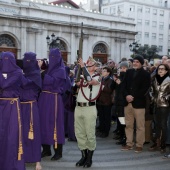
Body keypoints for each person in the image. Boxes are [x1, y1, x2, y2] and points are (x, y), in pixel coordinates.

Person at [38, 48, 66, 161]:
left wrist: (43, 74)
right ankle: (46, 149)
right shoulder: (48, 68)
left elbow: (53, 82)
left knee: (55, 124)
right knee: (43, 123)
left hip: (54, 98)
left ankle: (58, 152)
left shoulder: (61, 70)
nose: (51, 59)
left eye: (53, 57)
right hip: (43, 98)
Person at [0, 52, 25, 170]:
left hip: (12, 106)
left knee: (11, 135)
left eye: (6, 60)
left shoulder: (17, 72)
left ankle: (12, 164)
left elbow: (4, 84)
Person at [121, 54, 151, 153]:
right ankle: (129, 143)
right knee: (128, 125)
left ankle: (139, 145)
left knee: (140, 126)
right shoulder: (128, 72)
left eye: (137, 62)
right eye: (134, 61)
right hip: (127, 103)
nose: (135, 63)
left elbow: (145, 89)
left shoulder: (146, 74)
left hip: (139, 103)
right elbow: (123, 85)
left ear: (141, 63)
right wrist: (126, 96)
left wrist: (132, 97)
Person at [75, 57, 101, 168]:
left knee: (89, 133)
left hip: (89, 108)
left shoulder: (98, 78)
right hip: (78, 107)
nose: (88, 65)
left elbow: (90, 81)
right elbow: (76, 84)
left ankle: (89, 158)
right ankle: (83, 156)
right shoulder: (81, 76)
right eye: (87, 64)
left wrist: (82, 67)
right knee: (79, 133)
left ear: (95, 67)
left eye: (90, 64)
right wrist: (80, 69)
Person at [20, 52, 42, 170]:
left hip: (30, 107)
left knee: (34, 134)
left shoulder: (35, 74)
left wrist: (18, 74)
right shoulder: (24, 73)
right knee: (21, 134)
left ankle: (37, 160)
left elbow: (25, 84)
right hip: (20, 107)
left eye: (28, 60)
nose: (25, 63)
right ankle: (23, 156)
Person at [149, 64, 170, 153]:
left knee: (163, 125)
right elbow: (150, 90)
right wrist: (153, 98)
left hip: (165, 105)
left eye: (162, 69)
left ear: (166, 71)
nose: (160, 70)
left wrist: (166, 98)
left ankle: (163, 144)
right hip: (155, 104)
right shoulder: (154, 79)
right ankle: (156, 142)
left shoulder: (169, 80)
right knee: (156, 124)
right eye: (159, 69)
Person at [96, 66, 115, 138]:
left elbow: (109, 90)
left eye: (104, 71)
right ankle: (101, 129)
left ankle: (106, 131)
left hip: (107, 101)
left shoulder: (110, 80)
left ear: (108, 73)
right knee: (101, 117)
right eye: (102, 71)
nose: (102, 72)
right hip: (100, 101)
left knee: (106, 117)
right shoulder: (101, 79)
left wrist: (101, 86)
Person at [114, 61, 129, 145]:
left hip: (124, 102)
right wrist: (116, 80)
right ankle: (121, 134)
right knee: (120, 120)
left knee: (124, 121)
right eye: (121, 68)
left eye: (124, 68)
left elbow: (124, 88)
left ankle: (125, 137)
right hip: (118, 101)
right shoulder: (119, 77)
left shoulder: (127, 77)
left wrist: (120, 82)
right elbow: (114, 87)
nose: (122, 70)